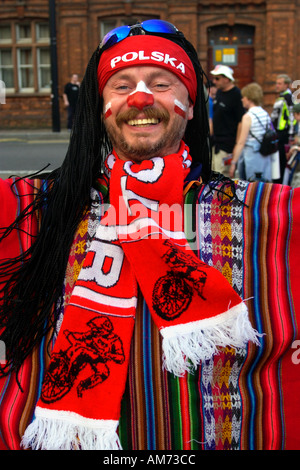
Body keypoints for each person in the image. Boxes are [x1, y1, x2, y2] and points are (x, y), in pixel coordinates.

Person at [0, 20, 299, 451]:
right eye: (121, 85)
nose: (140, 98)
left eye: (161, 83)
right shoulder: (38, 208)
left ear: (192, 105)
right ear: (100, 105)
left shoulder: (269, 214)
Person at [229, 82, 272, 181]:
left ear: (249, 98)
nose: (242, 99)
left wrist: (233, 163)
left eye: (244, 97)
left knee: (251, 187)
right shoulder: (265, 113)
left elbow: (241, 142)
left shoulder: (248, 117)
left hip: (251, 157)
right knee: (264, 186)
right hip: (264, 156)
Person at [210, 64, 244, 177]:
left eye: (217, 78)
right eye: (214, 78)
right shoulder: (219, 93)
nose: (214, 81)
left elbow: (240, 122)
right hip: (216, 144)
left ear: (227, 79)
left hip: (228, 145)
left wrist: (236, 146)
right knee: (214, 175)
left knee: (223, 177)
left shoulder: (236, 94)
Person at [271, 74, 295, 183]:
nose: (277, 85)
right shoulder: (281, 96)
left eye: (279, 83)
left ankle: (281, 184)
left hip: (283, 133)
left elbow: (292, 116)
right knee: (278, 159)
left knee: (281, 159)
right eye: (277, 83)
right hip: (278, 132)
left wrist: (290, 134)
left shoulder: (288, 97)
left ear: (286, 85)